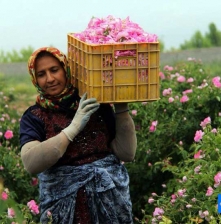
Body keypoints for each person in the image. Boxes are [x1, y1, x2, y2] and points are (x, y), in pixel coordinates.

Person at [19, 47, 137, 224]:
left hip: (110, 203)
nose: (50, 79)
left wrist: (121, 107)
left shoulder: (93, 103)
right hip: (64, 210)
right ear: (35, 79)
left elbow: (127, 153)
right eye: (41, 74)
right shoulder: (34, 116)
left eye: (54, 70)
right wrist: (73, 128)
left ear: (66, 69)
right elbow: (30, 163)